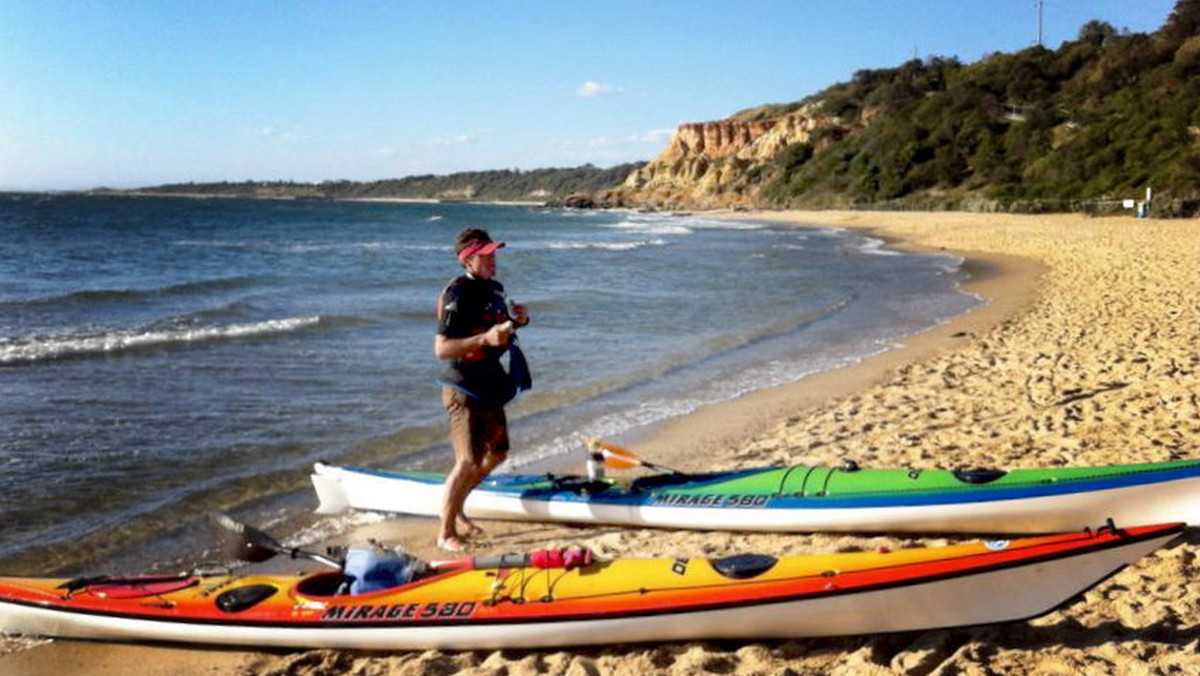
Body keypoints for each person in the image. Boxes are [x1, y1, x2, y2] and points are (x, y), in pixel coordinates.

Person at [434, 228, 530, 551]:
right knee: (466, 462)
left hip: (491, 381)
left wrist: (518, 321)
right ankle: (446, 533)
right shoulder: (456, 294)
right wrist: (484, 340)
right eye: (486, 256)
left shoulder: (495, 289)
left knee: (497, 453)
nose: (493, 260)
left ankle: (458, 507)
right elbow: (442, 349)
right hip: (462, 387)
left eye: (494, 254)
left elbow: (499, 329)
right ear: (468, 260)